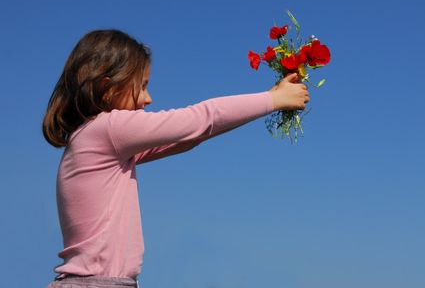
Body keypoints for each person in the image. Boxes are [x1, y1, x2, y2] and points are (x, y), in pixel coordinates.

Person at [42, 29, 309, 288]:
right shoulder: (108, 130)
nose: (148, 98)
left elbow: (189, 137)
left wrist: (273, 95)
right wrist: (273, 100)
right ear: (108, 88)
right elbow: (202, 118)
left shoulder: (95, 140)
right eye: (142, 86)